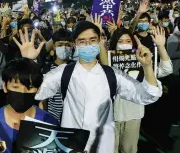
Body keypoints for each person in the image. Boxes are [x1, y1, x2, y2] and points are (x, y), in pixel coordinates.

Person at [35, 21, 162, 153]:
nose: (88, 45)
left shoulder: (112, 74)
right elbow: (36, 93)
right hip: (71, 146)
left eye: (92, 40)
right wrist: (30, 61)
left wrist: (147, 67)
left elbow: (147, 95)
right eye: (82, 41)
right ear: (75, 44)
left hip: (102, 146)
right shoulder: (62, 72)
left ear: (99, 41)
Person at [0, 29, 57, 153]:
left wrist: (30, 62)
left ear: (38, 90)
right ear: (5, 86)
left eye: (29, 87)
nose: (22, 92)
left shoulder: (49, 123)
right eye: (15, 87)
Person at [109, 28, 172, 153]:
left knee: (129, 149)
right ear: (114, 43)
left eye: (128, 41)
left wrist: (161, 47)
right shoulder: (109, 62)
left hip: (133, 114)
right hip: (111, 116)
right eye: (120, 41)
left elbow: (166, 70)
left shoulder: (142, 62)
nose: (124, 43)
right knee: (111, 149)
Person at [42, 29, 73, 122]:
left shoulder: (76, 67)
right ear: (54, 47)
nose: (64, 47)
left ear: (72, 46)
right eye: (60, 45)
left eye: (67, 45)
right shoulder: (47, 68)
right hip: (52, 117)